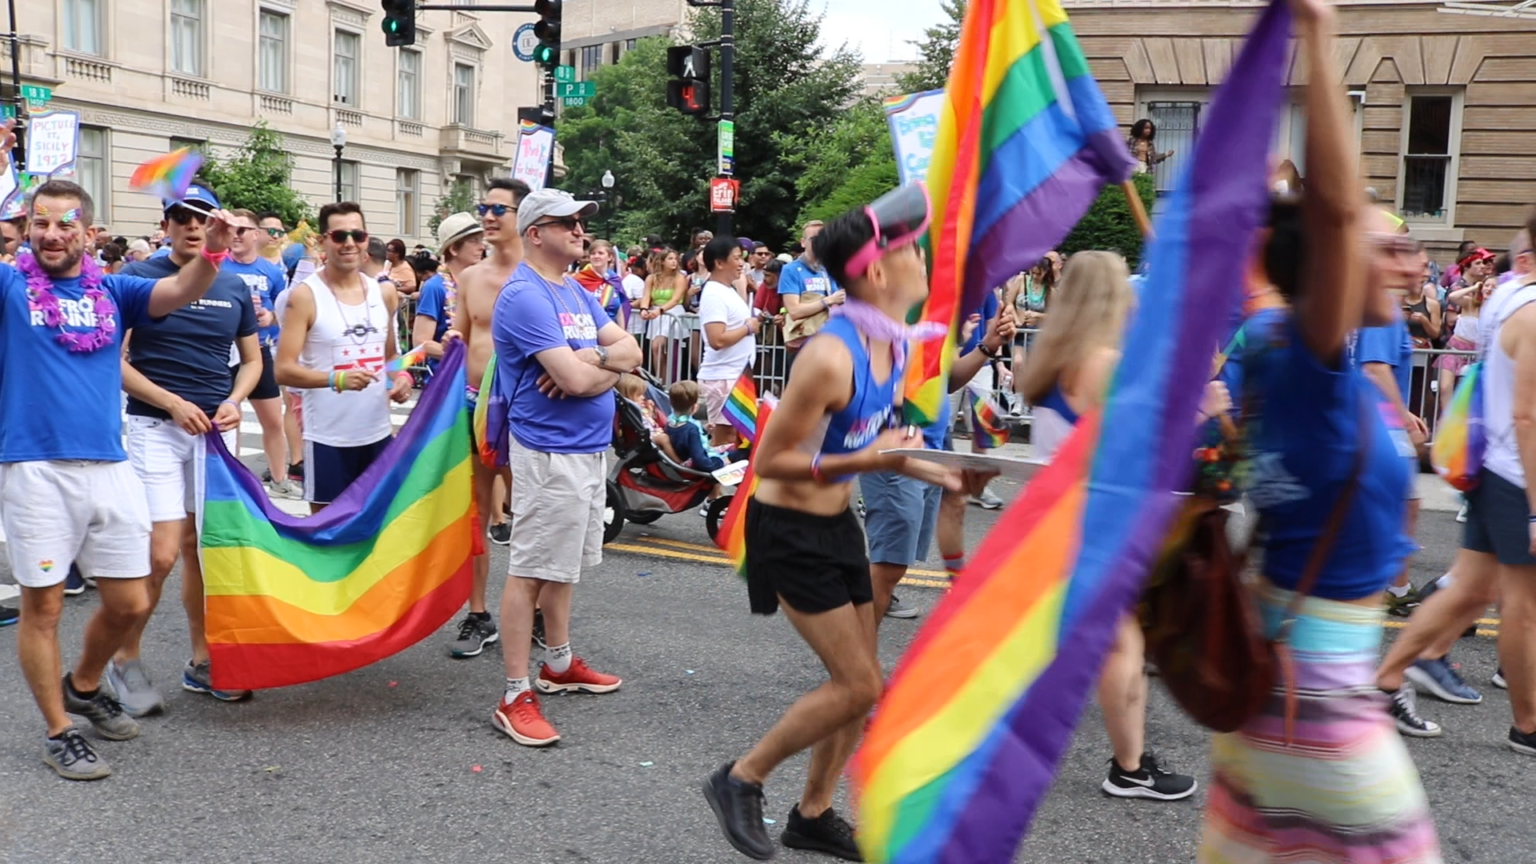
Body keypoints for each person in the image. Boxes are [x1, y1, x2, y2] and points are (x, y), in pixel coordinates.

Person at [1198, 2, 1440, 857]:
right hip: (1314, 695)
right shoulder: (1307, 358)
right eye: (1391, 248)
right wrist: (1320, 37)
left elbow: (1308, 227)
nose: (1411, 263)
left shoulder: (1283, 344)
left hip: (1301, 674)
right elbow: (1333, 214)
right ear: (1334, 267)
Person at [702, 184, 961, 861]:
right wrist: (877, 456)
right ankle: (740, 778)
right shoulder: (830, 355)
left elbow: (882, 435)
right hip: (789, 534)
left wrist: (939, 468)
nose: (922, 261)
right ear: (876, 271)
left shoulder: (893, 343)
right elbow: (773, 459)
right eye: (911, 251)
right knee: (860, 684)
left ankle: (813, 814)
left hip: (840, 526)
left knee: (859, 686)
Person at [4, 169, 235, 781]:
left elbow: (184, 288)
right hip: (36, 468)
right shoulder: (9, 285)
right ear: (26, 230)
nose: (51, 235)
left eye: (64, 224)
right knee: (45, 608)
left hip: (110, 464)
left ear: (89, 231)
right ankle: (59, 731)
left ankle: (83, 683)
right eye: (40, 224)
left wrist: (213, 247)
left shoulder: (117, 290)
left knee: (131, 598)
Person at [1021, 251, 1209, 801]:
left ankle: (1130, 760)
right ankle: (1128, 767)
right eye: (1124, 282)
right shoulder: (1102, 362)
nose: (1134, 290)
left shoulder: (1053, 355)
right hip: (1096, 523)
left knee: (1116, 641)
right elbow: (1149, 443)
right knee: (1119, 645)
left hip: (1064, 519)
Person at [1376, 215, 1536, 754]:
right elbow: (1528, 417)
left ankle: (1390, 676)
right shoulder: (1531, 309)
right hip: (1515, 473)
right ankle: (1528, 726)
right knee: (1521, 605)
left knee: (1472, 588)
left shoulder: (1509, 294)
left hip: (1492, 463)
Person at [488, 188, 643, 747]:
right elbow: (580, 381)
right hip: (548, 451)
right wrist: (600, 365)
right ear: (535, 233)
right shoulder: (526, 296)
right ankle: (513, 693)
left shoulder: (574, 290)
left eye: (581, 223)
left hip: (584, 447)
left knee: (563, 567)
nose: (581, 231)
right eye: (568, 223)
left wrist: (592, 358)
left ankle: (557, 663)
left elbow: (634, 354)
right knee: (530, 569)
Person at [112, 186, 262, 713]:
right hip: (155, 427)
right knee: (160, 552)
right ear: (166, 223)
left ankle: (203, 660)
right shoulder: (139, 278)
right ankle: (123, 658)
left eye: (201, 218)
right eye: (181, 217)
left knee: (206, 549)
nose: (192, 226)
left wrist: (236, 399)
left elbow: (251, 361)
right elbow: (115, 360)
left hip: (215, 434)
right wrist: (172, 403)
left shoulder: (235, 284)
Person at [274, 203, 414, 513]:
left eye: (357, 234)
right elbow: (282, 370)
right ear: (324, 241)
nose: (349, 242)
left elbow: (390, 356)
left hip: (377, 435)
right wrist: (335, 379)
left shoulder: (384, 293)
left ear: (366, 240)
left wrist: (402, 377)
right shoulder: (306, 296)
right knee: (328, 537)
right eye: (339, 235)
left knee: (378, 533)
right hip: (327, 439)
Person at [444, 177, 530, 658]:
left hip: (526, 410)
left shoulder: (538, 276)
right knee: (475, 510)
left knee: (531, 511)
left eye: (501, 208)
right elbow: (460, 333)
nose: (489, 215)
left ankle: (534, 610)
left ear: (524, 217)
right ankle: (477, 614)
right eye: (485, 206)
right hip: (473, 404)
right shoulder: (471, 278)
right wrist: (450, 343)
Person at [1353, 294, 1429, 624]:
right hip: (1381, 421)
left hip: (1378, 418)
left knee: (1404, 505)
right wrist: (1404, 417)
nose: (1420, 269)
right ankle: (1381, 588)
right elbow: (1374, 368)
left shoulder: (1384, 304)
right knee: (1396, 505)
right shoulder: (1383, 304)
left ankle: (1395, 587)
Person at [221, 208, 295, 498]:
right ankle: (232, 482)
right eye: (232, 230)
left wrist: (269, 318)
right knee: (228, 418)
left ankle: (279, 480)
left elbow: (284, 308)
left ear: (255, 234)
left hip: (260, 350)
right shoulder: (218, 266)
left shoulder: (271, 271)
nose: (235, 236)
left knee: (273, 420)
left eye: (242, 230)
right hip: (225, 352)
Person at [697, 235, 759, 449]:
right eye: (736, 258)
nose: (742, 263)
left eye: (742, 258)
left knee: (736, 439)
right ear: (719, 262)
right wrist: (748, 328)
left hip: (736, 376)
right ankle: (713, 482)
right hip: (723, 376)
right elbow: (717, 339)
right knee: (725, 441)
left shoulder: (727, 290)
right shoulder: (714, 294)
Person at [414, 212, 484, 378]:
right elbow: (421, 342)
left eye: (481, 240)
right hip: (447, 382)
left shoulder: (481, 284)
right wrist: (461, 355)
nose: (482, 246)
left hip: (479, 381)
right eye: (474, 241)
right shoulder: (435, 287)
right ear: (453, 249)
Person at [778, 220, 844, 370]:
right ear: (803, 243)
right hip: (803, 344)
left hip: (829, 340)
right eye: (814, 239)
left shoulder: (829, 268)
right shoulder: (791, 270)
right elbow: (794, 311)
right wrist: (828, 301)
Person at [640, 245, 688, 375]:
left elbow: (675, 299)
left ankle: (668, 380)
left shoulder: (680, 278)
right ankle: (661, 379)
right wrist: (644, 309)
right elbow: (646, 296)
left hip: (672, 312)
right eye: (670, 258)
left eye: (675, 259)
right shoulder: (651, 278)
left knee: (659, 346)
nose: (674, 261)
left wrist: (660, 311)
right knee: (657, 349)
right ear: (662, 261)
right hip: (656, 313)